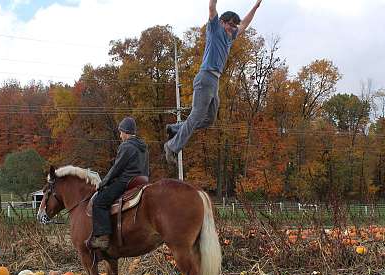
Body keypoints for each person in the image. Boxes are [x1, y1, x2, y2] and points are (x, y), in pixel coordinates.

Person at [163, 0, 264, 164]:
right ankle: (172, 146)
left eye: (234, 26)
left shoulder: (231, 37)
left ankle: (174, 128)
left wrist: (256, 6)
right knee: (196, 116)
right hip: (205, 77)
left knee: (209, 119)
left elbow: (245, 23)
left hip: (214, 82)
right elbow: (211, 7)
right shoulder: (214, 29)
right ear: (221, 22)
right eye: (230, 25)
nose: (232, 28)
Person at [89, 117, 149, 250]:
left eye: (121, 132)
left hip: (126, 181)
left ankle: (103, 238)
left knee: (99, 202)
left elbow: (116, 168)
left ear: (126, 132)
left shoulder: (126, 146)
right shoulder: (143, 146)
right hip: (141, 181)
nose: (120, 135)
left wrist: (103, 183)